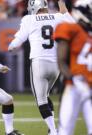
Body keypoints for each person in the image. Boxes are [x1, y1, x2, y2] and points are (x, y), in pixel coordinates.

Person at [8, 0, 74, 135]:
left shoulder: (29, 19)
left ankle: (54, 131)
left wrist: (12, 46)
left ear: (33, 7)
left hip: (39, 63)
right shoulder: (57, 16)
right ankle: (52, 130)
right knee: (46, 95)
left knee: (41, 99)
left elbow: (19, 39)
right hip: (56, 65)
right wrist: (61, 3)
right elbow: (72, 23)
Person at [53, 0, 92, 135]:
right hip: (73, 86)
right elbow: (61, 60)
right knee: (65, 130)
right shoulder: (70, 28)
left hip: (90, 87)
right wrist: (74, 78)